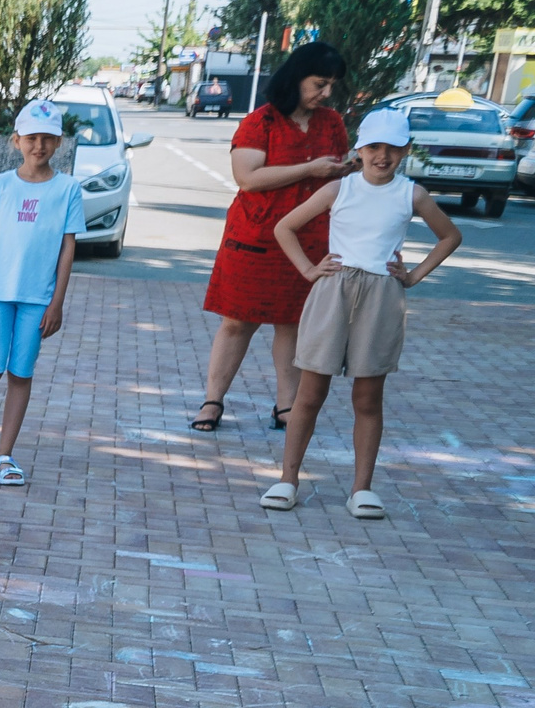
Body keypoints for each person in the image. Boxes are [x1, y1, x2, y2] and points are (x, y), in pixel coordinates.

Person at [262, 106, 463, 517]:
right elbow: (285, 226)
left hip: (383, 296)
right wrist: (309, 269)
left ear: (406, 149)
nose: (382, 156)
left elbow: (450, 236)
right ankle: (287, 479)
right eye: (374, 147)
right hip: (333, 290)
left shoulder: (412, 194)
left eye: (392, 148)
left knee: (368, 397)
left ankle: (362, 489)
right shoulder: (341, 189)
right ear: (359, 149)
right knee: (309, 393)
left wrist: (413, 276)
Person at [193, 42, 352, 432]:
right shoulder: (260, 121)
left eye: (330, 85)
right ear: (296, 78)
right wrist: (311, 169)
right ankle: (212, 402)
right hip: (255, 236)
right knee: (237, 322)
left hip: (311, 237)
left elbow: (340, 176)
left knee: (293, 323)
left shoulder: (332, 123)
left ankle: (286, 407)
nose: (325, 93)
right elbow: (247, 178)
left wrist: (349, 169)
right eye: (319, 83)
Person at [0, 101, 85, 487]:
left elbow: (67, 248)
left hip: (37, 299)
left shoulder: (68, 189)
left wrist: (57, 301)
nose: (38, 146)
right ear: (16, 141)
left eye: (47, 139)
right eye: (31, 138)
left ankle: (4, 455)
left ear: (59, 142)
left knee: (21, 373)